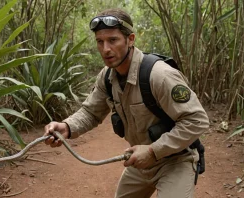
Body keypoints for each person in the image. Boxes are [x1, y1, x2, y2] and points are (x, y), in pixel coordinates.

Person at [43, 8, 209, 198]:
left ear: (130, 39)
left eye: (113, 40)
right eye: (100, 41)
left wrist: (154, 151)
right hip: (140, 163)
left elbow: (197, 120)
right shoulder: (107, 77)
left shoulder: (159, 75)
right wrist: (66, 127)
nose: (105, 49)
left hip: (175, 160)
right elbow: (91, 113)